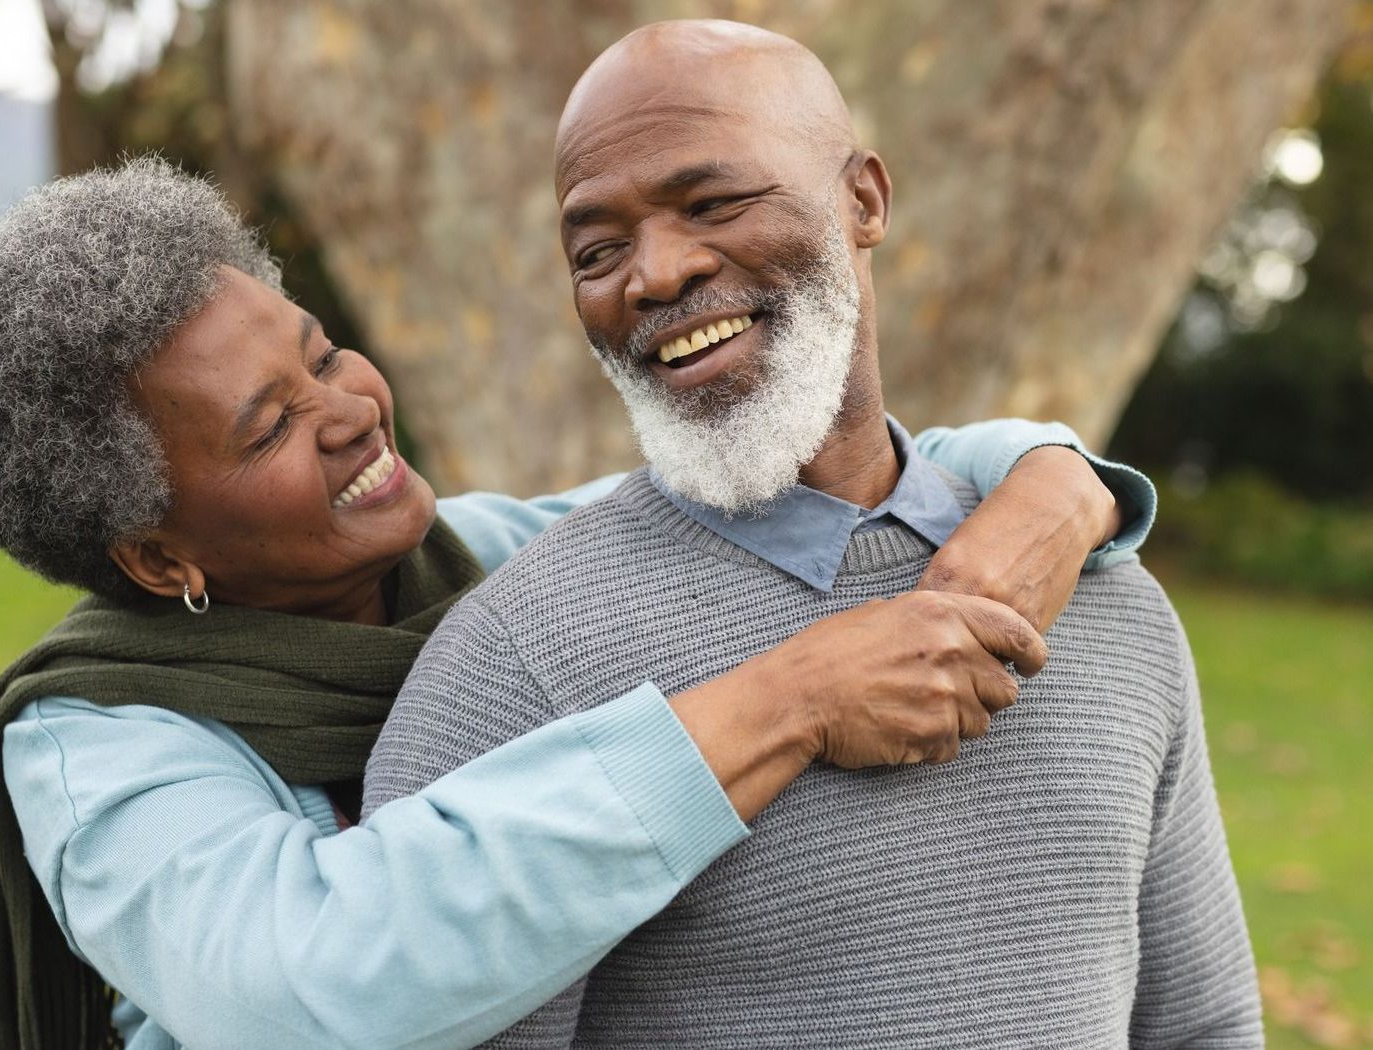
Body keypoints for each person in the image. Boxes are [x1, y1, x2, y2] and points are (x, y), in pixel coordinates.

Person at [0, 157, 1157, 1049]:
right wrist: (792, 699)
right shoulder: (101, 748)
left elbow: (842, 469)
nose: (349, 408)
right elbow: (313, 989)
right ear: (155, 557)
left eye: (321, 350)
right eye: (271, 425)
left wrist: (1057, 483)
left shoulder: (499, 564)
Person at [364, 19, 1258, 1049]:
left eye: (712, 202)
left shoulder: (1109, 603)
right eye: (597, 250)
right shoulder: (510, 663)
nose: (653, 276)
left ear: (864, 199)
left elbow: (1203, 1025)